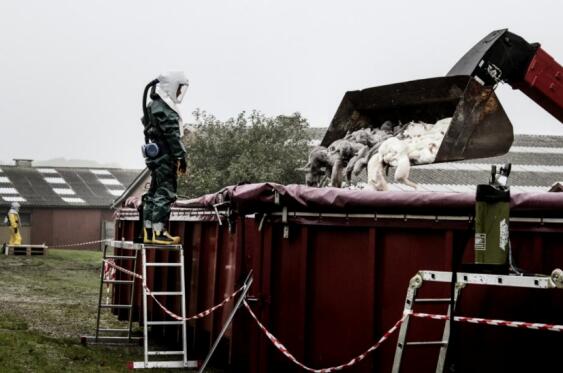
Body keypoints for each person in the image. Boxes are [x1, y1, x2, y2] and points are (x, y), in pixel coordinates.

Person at [141, 72, 189, 245]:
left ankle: (148, 231)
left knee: (153, 192)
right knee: (165, 191)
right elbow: (172, 135)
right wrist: (181, 157)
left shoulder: (152, 105)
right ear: (171, 86)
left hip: (154, 154)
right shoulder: (165, 108)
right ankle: (159, 232)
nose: (178, 94)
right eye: (178, 89)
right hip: (165, 155)